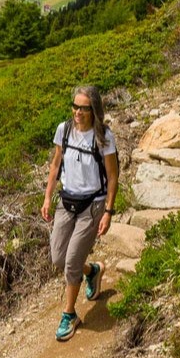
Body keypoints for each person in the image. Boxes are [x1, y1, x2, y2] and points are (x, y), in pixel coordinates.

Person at [41, 84, 119, 341]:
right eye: (75, 106)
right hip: (67, 201)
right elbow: (55, 165)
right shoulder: (64, 130)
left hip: (93, 204)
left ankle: (69, 314)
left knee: (71, 262)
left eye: (83, 108)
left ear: (94, 110)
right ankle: (92, 271)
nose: (77, 112)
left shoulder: (103, 137)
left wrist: (108, 211)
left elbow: (112, 175)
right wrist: (48, 197)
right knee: (58, 258)